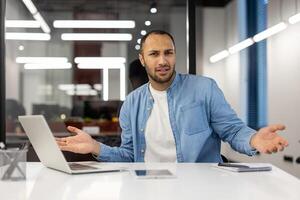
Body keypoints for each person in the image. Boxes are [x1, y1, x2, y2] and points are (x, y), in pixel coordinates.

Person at [56, 30, 288, 163]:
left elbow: (233, 130)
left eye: (168, 53)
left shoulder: (204, 89)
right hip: (147, 189)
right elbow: (129, 156)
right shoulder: (131, 104)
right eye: (154, 54)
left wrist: (253, 139)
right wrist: (95, 147)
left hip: (200, 189)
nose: (163, 60)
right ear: (143, 59)